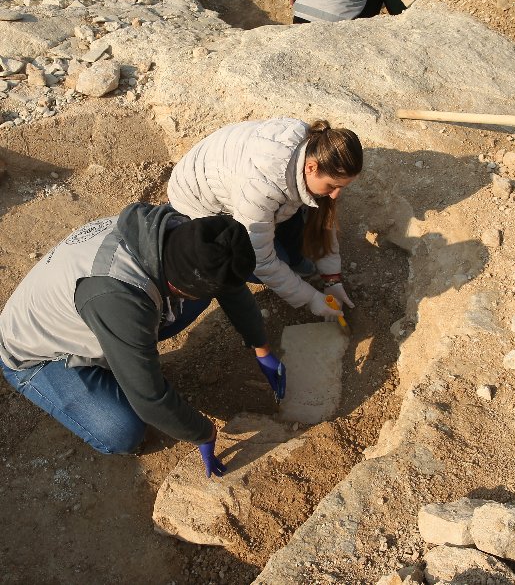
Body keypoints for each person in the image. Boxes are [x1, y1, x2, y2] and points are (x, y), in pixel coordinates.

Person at [0, 204, 285, 477]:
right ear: (180, 285)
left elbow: (227, 283)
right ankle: (104, 373)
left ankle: (125, 357)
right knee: (121, 431)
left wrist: (260, 346)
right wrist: (203, 432)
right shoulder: (121, 298)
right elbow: (149, 399)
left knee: (202, 295)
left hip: (93, 312)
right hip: (38, 355)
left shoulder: (175, 232)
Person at [167, 117, 361, 323]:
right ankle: (293, 263)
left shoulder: (315, 147)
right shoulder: (260, 189)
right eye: (332, 186)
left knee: (299, 221)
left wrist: (332, 279)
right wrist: (310, 297)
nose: (335, 195)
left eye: (342, 187)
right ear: (311, 168)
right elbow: (260, 260)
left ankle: (296, 260)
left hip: (238, 185)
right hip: (197, 202)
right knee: (267, 262)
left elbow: (322, 217)